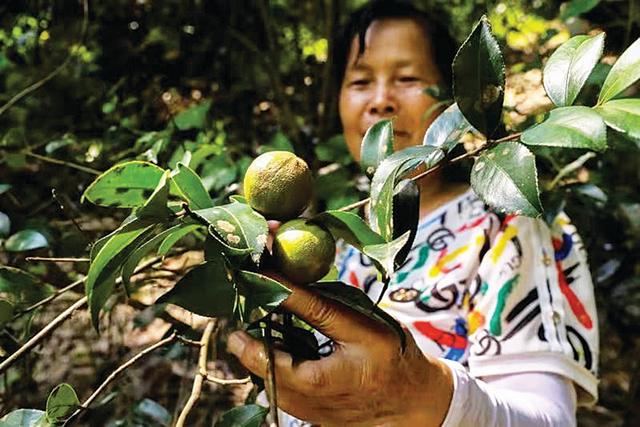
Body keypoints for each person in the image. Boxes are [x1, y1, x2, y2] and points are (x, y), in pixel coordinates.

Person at [226, 1, 599, 425]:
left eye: (407, 78)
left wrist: (429, 397)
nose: (381, 101)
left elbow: (550, 418)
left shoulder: (510, 222)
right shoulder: (334, 237)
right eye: (361, 81)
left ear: (452, 101)